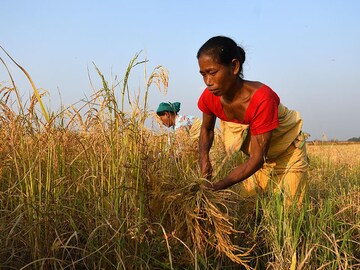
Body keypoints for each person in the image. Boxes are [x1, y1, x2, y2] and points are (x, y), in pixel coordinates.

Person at [197, 36, 308, 205]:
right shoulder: (210, 97)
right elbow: (207, 129)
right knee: (251, 209)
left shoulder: (262, 100)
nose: (208, 82)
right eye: (203, 74)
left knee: (288, 214)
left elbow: (257, 158)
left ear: (234, 66)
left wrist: (219, 185)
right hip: (258, 159)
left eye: (212, 73)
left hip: (287, 153)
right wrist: (204, 158)